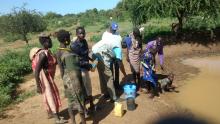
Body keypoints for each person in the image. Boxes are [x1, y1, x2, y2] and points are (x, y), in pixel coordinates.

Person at [31, 33, 65, 124]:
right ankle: (57, 119)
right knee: (50, 96)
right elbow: (37, 71)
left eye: (50, 40)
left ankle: (51, 113)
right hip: (45, 79)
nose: (50, 42)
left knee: (51, 94)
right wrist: (38, 85)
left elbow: (54, 62)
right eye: (48, 41)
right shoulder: (43, 55)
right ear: (44, 42)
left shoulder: (48, 52)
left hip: (49, 78)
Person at [56, 30, 86, 124]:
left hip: (68, 79)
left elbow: (61, 70)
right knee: (79, 100)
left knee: (71, 101)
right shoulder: (62, 52)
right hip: (73, 79)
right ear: (65, 39)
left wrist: (65, 81)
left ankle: (74, 121)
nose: (69, 39)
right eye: (68, 38)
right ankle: (82, 122)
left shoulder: (62, 51)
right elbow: (62, 68)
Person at [70, 27, 95, 114]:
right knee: (83, 90)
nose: (82, 35)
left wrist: (91, 60)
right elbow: (77, 61)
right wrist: (87, 64)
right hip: (80, 70)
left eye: (83, 33)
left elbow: (85, 54)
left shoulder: (84, 41)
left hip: (85, 68)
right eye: (80, 33)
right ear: (76, 34)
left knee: (88, 87)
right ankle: (84, 109)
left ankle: (92, 105)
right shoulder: (74, 46)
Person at [102, 22, 127, 90]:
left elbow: (120, 42)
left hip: (117, 56)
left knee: (117, 70)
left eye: (115, 29)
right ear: (110, 28)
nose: (115, 30)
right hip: (109, 56)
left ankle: (117, 84)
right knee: (111, 71)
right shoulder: (105, 34)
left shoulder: (117, 34)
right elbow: (104, 45)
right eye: (113, 29)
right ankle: (112, 85)